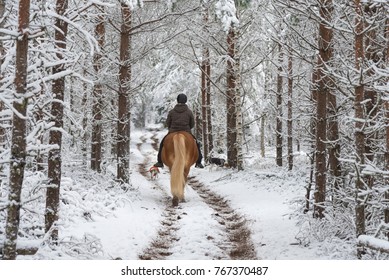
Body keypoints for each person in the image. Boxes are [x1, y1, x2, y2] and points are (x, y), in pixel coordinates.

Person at [154, 93, 204, 168]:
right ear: (185, 101)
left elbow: (168, 123)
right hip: (186, 131)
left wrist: (172, 128)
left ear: (177, 101)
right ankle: (198, 162)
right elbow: (192, 124)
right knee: (196, 144)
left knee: (162, 144)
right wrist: (187, 128)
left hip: (173, 131)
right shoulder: (189, 112)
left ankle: (160, 161)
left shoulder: (172, 112)